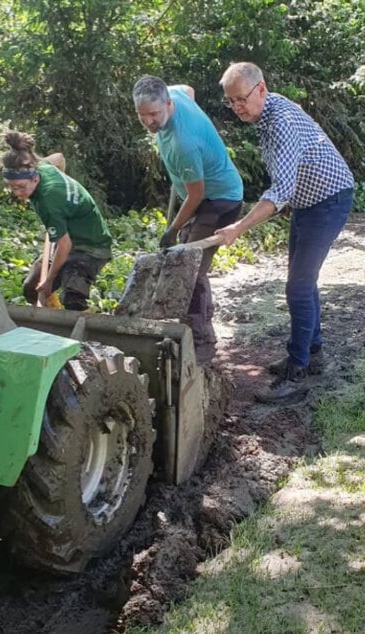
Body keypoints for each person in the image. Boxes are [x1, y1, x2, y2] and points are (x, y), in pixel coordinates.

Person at [214, 62, 354, 403]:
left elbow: (279, 192)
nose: (236, 108)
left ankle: (298, 371)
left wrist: (239, 227)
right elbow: (288, 179)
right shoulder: (266, 111)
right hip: (308, 201)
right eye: (230, 102)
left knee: (299, 286)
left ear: (261, 88)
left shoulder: (280, 122)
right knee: (301, 281)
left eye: (241, 99)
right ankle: (313, 351)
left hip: (329, 199)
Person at [132, 75, 244, 363]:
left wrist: (173, 229)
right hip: (202, 197)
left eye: (154, 114)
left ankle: (202, 340)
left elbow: (196, 196)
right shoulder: (176, 94)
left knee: (191, 267)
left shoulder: (184, 143)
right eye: (142, 115)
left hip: (220, 199)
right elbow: (189, 89)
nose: (149, 122)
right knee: (185, 258)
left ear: (168, 104)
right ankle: (187, 319)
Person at [1, 131, 113, 311]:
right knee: (31, 289)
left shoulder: (49, 201)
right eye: (12, 188)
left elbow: (65, 246)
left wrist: (50, 280)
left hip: (91, 246)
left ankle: (84, 333)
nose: (17, 193)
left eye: (21, 187)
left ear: (35, 178)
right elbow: (59, 158)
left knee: (73, 298)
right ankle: (53, 318)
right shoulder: (42, 166)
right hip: (68, 236)